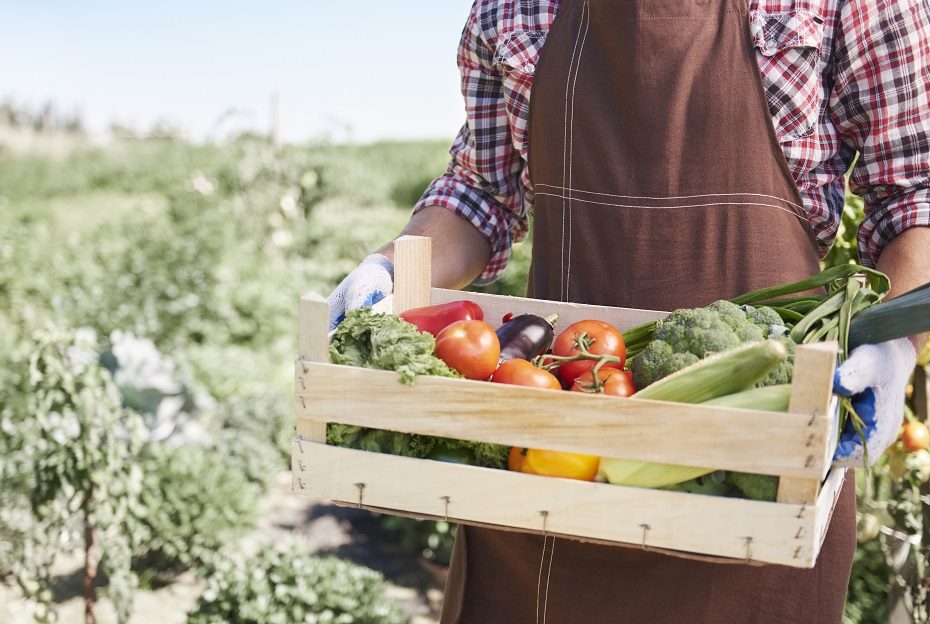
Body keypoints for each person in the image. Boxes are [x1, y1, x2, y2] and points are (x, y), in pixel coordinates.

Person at [328, 0, 930, 621]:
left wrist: (893, 343)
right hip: (551, 461)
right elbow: (481, 190)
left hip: (757, 472)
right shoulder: (512, 8)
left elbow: (915, 194)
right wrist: (392, 270)